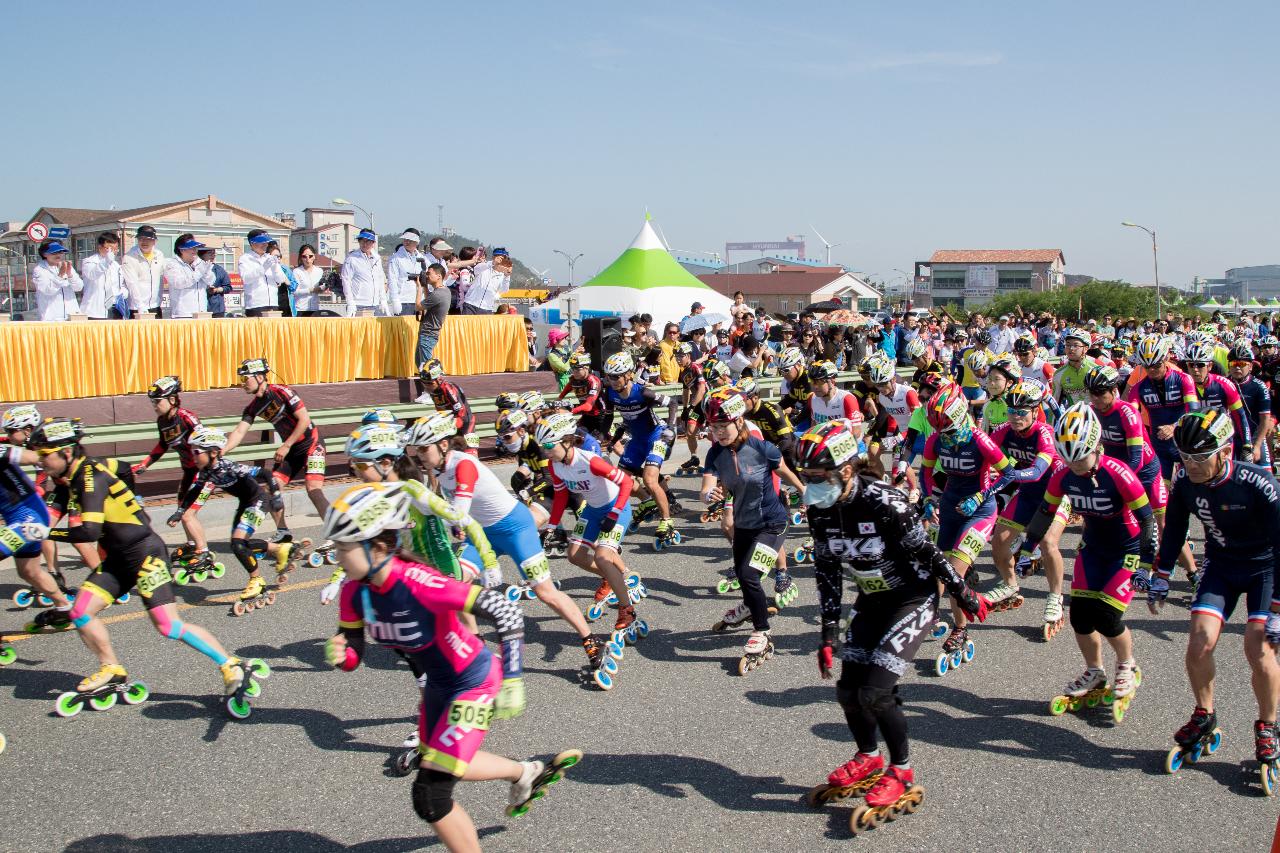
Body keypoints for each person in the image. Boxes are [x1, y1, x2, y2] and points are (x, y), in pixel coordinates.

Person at [321, 483, 577, 853]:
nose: (338, 558)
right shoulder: (354, 592)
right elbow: (353, 654)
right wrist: (341, 653)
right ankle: (527, 772)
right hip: (439, 684)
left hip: (474, 681)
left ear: (376, 546)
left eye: (344, 548)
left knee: (430, 795)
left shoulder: (418, 583)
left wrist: (514, 678)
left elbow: (504, 610)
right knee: (439, 760)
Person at [801, 418, 989, 816]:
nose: (811, 485)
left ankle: (901, 770)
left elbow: (929, 554)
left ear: (846, 470)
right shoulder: (819, 510)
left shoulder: (884, 502)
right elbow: (827, 572)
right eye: (808, 477)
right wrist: (828, 632)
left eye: (819, 476)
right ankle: (868, 757)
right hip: (871, 599)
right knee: (848, 691)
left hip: (911, 598)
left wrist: (962, 592)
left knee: (877, 693)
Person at [29, 418, 249, 705]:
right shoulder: (85, 471)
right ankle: (111, 668)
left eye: (45, 455)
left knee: (168, 626)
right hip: (120, 557)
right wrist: (131, 500)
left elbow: (89, 532)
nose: (40, 462)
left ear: (66, 453)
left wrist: (45, 532)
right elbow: (122, 468)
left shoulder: (89, 477)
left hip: (145, 554)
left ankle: (230, 664)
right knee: (81, 611)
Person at [404, 413, 602, 668]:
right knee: (455, 586)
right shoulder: (440, 470)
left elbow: (458, 513)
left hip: (515, 527)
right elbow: (455, 513)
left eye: (423, 448)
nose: (419, 455)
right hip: (484, 533)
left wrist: (419, 515)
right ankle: (477, 649)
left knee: (545, 593)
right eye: (416, 449)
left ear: (443, 445)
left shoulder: (463, 465)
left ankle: (591, 640)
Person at [1151, 409, 1280, 771]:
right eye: (1184, 456)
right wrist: (1161, 574)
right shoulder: (1185, 483)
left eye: (1199, 457)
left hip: (1264, 568)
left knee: (1258, 648)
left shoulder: (1259, 483)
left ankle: (1268, 725)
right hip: (1221, 566)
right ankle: (1204, 714)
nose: (1190, 465)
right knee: (1199, 641)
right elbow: (1174, 529)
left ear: (1224, 452)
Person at [1019, 403, 1153, 719]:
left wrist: (1146, 566)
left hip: (1127, 550)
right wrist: (1027, 550)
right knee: (1080, 616)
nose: (1074, 465)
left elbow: (1148, 521)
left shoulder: (1119, 474)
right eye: (1068, 459)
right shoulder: (1063, 476)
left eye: (1079, 457)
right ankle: (1095, 671)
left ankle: (1127, 664)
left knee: (1107, 617)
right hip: (1093, 548)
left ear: (1094, 446)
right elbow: (1044, 513)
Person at [699, 389, 804, 664]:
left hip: (772, 523)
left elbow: (784, 471)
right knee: (745, 575)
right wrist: (710, 495)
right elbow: (706, 486)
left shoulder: (761, 447)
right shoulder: (714, 453)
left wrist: (805, 491)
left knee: (748, 574)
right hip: (745, 525)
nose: (718, 432)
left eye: (723, 426)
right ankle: (749, 605)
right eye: (714, 427)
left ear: (739, 421)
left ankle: (763, 632)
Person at [920, 382, 1014, 659]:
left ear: (961, 416)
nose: (944, 437)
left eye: (948, 430)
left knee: (953, 574)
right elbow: (926, 474)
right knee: (937, 569)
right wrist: (928, 499)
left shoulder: (980, 440)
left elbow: (1008, 474)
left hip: (980, 511)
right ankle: (930, 613)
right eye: (940, 431)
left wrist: (982, 494)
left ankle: (960, 629)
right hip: (950, 507)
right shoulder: (935, 440)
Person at [167, 426, 297, 606]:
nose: (193, 456)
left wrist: (275, 497)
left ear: (213, 452)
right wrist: (180, 512)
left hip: (258, 501)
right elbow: (195, 490)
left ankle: (257, 581)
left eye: (196, 452)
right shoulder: (206, 471)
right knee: (237, 545)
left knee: (238, 544)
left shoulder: (230, 467)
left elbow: (266, 473)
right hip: (245, 503)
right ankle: (279, 549)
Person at [988, 379, 1070, 627]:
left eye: (1022, 412)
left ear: (1035, 411)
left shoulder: (1045, 433)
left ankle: (1056, 597)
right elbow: (984, 449)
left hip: (1056, 494)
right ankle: (1010, 585)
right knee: (999, 541)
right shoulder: (1005, 429)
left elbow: (1036, 472)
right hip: (1028, 494)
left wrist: (1008, 474)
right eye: (1012, 411)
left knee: (1047, 543)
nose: (1015, 417)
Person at [223, 358, 329, 534]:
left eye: (245, 378)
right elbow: (239, 432)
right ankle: (283, 534)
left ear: (259, 377)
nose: (242, 384)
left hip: (312, 444)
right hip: (292, 450)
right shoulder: (253, 407)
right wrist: (222, 451)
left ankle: (336, 534)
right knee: (272, 488)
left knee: (313, 490)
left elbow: (304, 420)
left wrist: (286, 445)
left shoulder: (283, 392)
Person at [601, 351, 682, 547]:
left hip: (657, 436)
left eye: (616, 376)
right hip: (637, 440)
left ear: (628, 374)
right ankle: (647, 501)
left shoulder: (643, 392)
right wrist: (604, 437)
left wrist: (671, 427)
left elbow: (672, 402)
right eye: (609, 376)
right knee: (619, 480)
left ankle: (666, 521)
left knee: (649, 479)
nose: (612, 381)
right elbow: (610, 418)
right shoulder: (610, 393)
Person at [0, 418, 72, 634]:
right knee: (29, 572)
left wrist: (56, 466)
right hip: (18, 518)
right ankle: (65, 608)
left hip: (27, 518)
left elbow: (32, 456)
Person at [131, 375, 210, 571]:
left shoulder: (187, 418)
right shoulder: (162, 422)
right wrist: (145, 464)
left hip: (203, 472)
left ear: (173, 400)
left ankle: (204, 553)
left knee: (186, 514)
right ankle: (192, 545)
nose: (154, 405)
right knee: (181, 507)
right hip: (188, 471)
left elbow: (206, 441)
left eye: (157, 401)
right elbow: (162, 445)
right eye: (152, 402)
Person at [416, 359, 478, 452]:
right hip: (452, 422)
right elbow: (440, 411)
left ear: (439, 378)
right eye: (424, 383)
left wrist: (446, 427)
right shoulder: (433, 391)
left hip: (465, 421)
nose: (427, 386)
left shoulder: (448, 389)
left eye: (430, 383)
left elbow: (461, 414)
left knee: (469, 452)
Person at [1229, 340, 1274, 468]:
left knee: (1266, 478)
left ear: (1250, 366)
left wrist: (1258, 445)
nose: (1237, 367)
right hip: (1232, 439)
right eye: (1234, 363)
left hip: (1255, 435)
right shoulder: (1224, 384)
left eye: (1242, 364)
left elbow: (1264, 420)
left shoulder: (1259, 387)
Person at [238, 229, 287, 318]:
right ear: (252, 243)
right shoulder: (245, 259)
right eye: (262, 242)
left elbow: (281, 279)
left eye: (266, 242)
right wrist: (263, 268)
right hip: (255, 305)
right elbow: (246, 279)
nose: (266, 245)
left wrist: (275, 267)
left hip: (273, 303)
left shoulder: (269, 257)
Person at [341, 228, 389, 316]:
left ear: (373, 243)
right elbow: (346, 281)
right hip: (359, 304)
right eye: (361, 241)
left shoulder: (377, 258)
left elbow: (380, 280)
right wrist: (350, 302)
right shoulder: (351, 258)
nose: (364, 244)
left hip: (376, 304)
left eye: (367, 241)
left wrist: (383, 300)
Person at [162, 234, 212, 319]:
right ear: (182, 250)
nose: (195, 251)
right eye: (192, 248)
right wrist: (199, 272)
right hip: (183, 314)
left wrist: (206, 272)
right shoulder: (171, 264)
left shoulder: (199, 263)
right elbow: (179, 283)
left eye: (196, 248)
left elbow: (211, 281)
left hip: (202, 313)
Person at [32, 240, 83, 322]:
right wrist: (60, 276)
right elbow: (47, 290)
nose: (58, 255)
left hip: (72, 316)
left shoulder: (66, 266)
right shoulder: (39, 270)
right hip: (51, 318)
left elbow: (79, 287)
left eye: (60, 252)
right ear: (45, 254)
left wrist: (70, 275)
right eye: (54, 253)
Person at [121, 225, 164, 318]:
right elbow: (132, 284)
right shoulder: (129, 257)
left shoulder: (159, 255)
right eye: (141, 239)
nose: (144, 242)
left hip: (155, 306)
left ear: (154, 241)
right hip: (137, 309)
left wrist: (159, 301)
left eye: (148, 239)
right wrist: (140, 306)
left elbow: (160, 279)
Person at [78, 233, 123, 320]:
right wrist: (106, 261)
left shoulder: (116, 265)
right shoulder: (89, 262)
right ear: (100, 247)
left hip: (114, 309)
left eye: (115, 249)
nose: (112, 252)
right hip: (94, 310)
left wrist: (122, 292)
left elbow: (119, 284)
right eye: (109, 248)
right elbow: (92, 275)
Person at [415, 263, 451, 369]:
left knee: (428, 368)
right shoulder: (444, 291)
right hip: (430, 333)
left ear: (439, 276)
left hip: (428, 334)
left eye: (429, 273)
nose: (426, 276)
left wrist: (419, 288)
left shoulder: (438, 294)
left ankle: (437, 385)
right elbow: (430, 301)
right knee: (421, 365)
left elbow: (418, 306)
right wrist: (425, 286)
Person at [387, 229, 427, 316]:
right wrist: (395, 300)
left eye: (410, 240)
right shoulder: (395, 258)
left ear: (417, 242)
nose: (407, 242)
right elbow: (392, 280)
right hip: (403, 300)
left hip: (419, 300)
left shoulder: (422, 258)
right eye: (405, 239)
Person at [1051, 328, 1095, 406]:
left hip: (1095, 416)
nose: (1071, 349)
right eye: (1068, 345)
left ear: (1085, 348)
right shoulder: (1058, 374)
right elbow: (1054, 403)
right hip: (1073, 415)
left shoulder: (1095, 370)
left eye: (1076, 345)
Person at [462, 248, 511, 315]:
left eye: (503, 258)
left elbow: (504, 290)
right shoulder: (484, 266)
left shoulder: (503, 275)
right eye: (497, 256)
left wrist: (507, 276)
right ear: (493, 257)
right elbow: (476, 269)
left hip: (487, 308)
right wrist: (492, 263)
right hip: (471, 303)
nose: (500, 260)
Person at [291, 243, 325, 317]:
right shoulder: (296, 271)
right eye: (304, 256)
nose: (307, 259)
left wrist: (323, 289)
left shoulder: (319, 271)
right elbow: (294, 291)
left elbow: (321, 288)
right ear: (300, 257)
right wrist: (310, 290)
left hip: (315, 309)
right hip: (300, 309)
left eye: (310, 256)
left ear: (314, 256)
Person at [199, 247, 234, 317]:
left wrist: (216, 290)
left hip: (216, 309)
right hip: (199, 308)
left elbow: (228, 287)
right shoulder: (195, 268)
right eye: (209, 253)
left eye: (214, 253)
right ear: (201, 255)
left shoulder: (219, 270)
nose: (213, 255)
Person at [268, 242, 297, 316]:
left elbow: (294, 286)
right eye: (275, 256)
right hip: (271, 305)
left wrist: (287, 281)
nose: (277, 259)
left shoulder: (285, 269)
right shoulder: (266, 270)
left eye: (279, 256)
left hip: (286, 305)